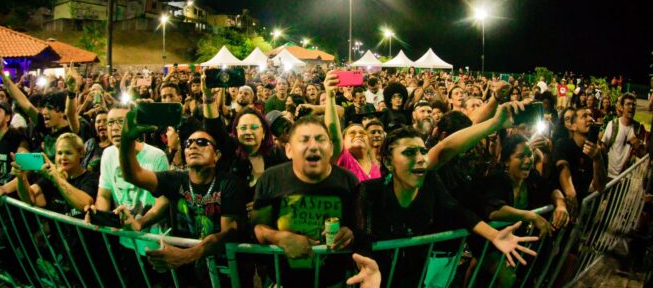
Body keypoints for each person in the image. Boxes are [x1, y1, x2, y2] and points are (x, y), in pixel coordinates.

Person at [355, 104, 539, 286]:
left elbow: (458, 211)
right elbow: (361, 237)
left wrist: (493, 235)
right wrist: (366, 266)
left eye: (423, 152)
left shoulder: (430, 181)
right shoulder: (370, 191)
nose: (420, 159)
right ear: (388, 161)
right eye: (409, 152)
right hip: (378, 277)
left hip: (416, 275)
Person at [117, 108, 248, 286]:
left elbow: (228, 233)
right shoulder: (175, 179)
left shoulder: (230, 184)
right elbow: (134, 175)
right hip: (187, 274)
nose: (193, 146)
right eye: (188, 143)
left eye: (202, 142)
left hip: (224, 273)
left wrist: (186, 255)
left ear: (216, 155)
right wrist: (127, 139)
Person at [252, 116, 358, 286]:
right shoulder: (271, 179)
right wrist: (279, 238)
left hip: (334, 282)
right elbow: (257, 228)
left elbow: (358, 227)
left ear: (331, 148)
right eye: (304, 140)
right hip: (282, 281)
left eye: (320, 139)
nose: (313, 146)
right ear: (288, 150)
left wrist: (349, 234)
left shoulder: (348, 181)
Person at [85, 106, 169, 281]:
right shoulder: (107, 154)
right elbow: (104, 194)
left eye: (120, 122)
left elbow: (163, 202)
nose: (114, 128)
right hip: (126, 240)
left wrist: (140, 222)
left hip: (153, 241)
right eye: (110, 123)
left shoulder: (156, 156)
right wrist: (100, 215)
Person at [474, 134, 569, 286]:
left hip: (515, 242)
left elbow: (552, 189)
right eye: (520, 156)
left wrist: (561, 205)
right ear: (506, 160)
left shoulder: (531, 176)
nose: (527, 161)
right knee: (507, 279)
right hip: (490, 243)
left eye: (529, 154)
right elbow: (494, 210)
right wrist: (531, 216)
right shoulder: (497, 178)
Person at [13, 133, 98, 216]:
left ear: (81, 154)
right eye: (59, 153)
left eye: (68, 153)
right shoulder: (51, 176)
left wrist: (58, 180)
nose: (63, 158)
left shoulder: (91, 178)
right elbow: (30, 198)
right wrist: (21, 179)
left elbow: (85, 204)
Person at [554, 107, 608, 216]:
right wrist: (571, 193)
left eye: (591, 116)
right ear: (573, 126)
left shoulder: (600, 152)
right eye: (584, 116)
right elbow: (563, 169)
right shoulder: (563, 144)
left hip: (585, 212)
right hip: (564, 207)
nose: (590, 119)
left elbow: (600, 187)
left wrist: (597, 159)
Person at [601, 93, 647, 179]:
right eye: (628, 104)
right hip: (609, 176)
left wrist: (638, 146)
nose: (631, 107)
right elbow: (603, 148)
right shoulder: (613, 124)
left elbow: (644, 155)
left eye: (633, 105)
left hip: (626, 178)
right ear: (621, 107)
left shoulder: (639, 128)